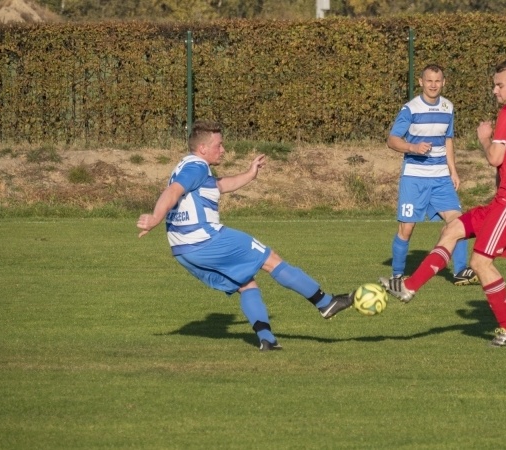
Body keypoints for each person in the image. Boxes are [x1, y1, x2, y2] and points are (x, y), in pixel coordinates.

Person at [137, 120, 353, 352]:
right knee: (270, 259)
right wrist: (155, 217)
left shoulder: (187, 166)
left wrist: (250, 174)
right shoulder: (196, 167)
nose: (223, 150)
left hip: (184, 251)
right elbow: (172, 191)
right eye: (219, 145)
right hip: (206, 239)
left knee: (246, 284)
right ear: (202, 149)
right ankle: (325, 302)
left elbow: (219, 186)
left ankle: (267, 339)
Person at [380, 59, 506, 347]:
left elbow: (495, 157)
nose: (494, 90)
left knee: (480, 262)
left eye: (500, 85)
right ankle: (407, 287)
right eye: (494, 84)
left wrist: (484, 139)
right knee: (453, 227)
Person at [385, 63, 478, 288]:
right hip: (414, 178)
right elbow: (392, 139)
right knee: (406, 228)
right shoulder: (410, 109)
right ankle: (397, 275)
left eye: (437, 81)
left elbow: (448, 140)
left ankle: (460, 271)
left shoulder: (448, 107)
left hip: (441, 178)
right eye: (429, 80)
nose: (433, 85)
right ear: (421, 82)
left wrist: (453, 171)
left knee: (458, 221)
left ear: (443, 82)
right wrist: (413, 148)